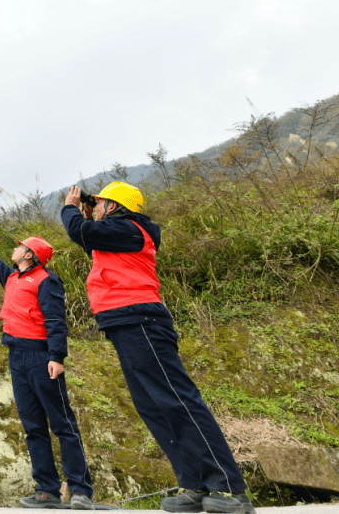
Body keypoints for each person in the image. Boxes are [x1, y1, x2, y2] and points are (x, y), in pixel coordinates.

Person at [62, 183, 254, 514]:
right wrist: (88, 209)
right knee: (153, 406)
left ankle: (228, 488)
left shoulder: (132, 229)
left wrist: (69, 208)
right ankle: (195, 485)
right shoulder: (117, 234)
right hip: (124, 324)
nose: (96, 207)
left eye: (101, 203)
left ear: (115, 207)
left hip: (142, 321)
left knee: (178, 401)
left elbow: (79, 231)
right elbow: (90, 239)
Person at [0, 217, 95, 510]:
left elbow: (56, 321)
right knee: (33, 426)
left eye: (20, 246)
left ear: (30, 255)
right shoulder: (12, 277)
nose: (15, 248)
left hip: (40, 358)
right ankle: (47, 490)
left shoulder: (47, 281)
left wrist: (56, 357)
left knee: (63, 425)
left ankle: (81, 491)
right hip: (17, 357)